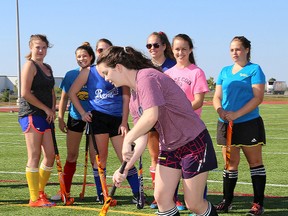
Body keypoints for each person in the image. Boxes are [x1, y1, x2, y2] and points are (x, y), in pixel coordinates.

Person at [97, 46, 219, 216]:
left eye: (106, 73)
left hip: (193, 142)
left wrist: (127, 139)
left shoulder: (146, 77)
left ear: (118, 67)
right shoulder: (133, 97)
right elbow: (141, 137)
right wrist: (124, 168)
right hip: (170, 147)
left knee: (194, 204)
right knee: (162, 198)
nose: (105, 78)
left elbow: (151, 115)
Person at [68, 39, 140, 205]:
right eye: (100, 50)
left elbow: (126, 96)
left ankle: (137, 193)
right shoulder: (88, 72)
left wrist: (124, 121)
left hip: (117, 119)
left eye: (106, 50)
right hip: (98, 118)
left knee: (126, 158)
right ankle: (103, 194)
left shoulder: (119, 70)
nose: (103, 53)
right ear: (96, 52)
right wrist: (82, 113)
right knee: (100, 159)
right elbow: (73, 92)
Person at [213, 36, 266, 216]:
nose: (234, 53)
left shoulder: (254, 69)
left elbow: (258, 97)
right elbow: (217, 96)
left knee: (255, 163)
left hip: (248, 123)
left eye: (238, 49)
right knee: (230, 164)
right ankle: (227, 202)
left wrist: (237, 114)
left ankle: (258, 204)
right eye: (231, 50)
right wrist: (220, 110)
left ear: (247, 50)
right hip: (226, 124)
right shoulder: (225, 71)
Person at [165, 34, 209, 215]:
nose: (180, 52)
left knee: (195, 173)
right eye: (177, 49)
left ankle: (199, 205)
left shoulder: (196, 72)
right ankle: (174, 201)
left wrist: (179, 111)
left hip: (192, 132)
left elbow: (198, 101)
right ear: (172, 50)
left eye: (184, 48)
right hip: (172, 133)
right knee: (173, 171)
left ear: (190, 49)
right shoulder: (167, 74)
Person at [50, 42, 95, 204]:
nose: (81, 59)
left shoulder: (98, 72)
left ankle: (100, 192)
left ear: (91, 57)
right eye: (78, 56)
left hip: (95, 118)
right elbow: (64, 98)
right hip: (76, 117)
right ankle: (64, 190)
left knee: (95, 157)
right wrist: (61, 118)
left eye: (84, 56)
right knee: (71, 155)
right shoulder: (70, 75)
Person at [146, 31, 185, 210]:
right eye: (149, 46)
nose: (152, 49)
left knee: (173, 157)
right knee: (155, 157)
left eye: (155, 45)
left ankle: (174, 196)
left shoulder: (174, 65)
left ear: (164, 46)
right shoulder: (144, 66)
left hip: (170, 118)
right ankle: (158, 196)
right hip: (151, 117)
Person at [18, 34, 56, 207]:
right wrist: (46, 108)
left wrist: (53, 109)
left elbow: (51, 91)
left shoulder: (47, 67)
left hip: (45, 115)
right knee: (34, 155)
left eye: (43, 47)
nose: (41, 50)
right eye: (37, 47)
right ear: (31, 48)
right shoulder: (29, 65)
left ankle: (40, 191)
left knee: (49, 155)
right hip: (32, 113)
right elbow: (25, 93)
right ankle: (34, 198)